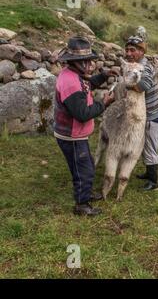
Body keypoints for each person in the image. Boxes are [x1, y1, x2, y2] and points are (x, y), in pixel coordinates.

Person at [54, 36, 116, 216]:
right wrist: (104, 104)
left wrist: (103, 76)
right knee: (85, 169)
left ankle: (85, 193)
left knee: (83, 165)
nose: (89, 64)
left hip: (75, 135)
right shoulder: (70, 83)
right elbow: (82, 114)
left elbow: (87, 85)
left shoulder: (74, 74)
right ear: (76, 62)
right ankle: (82, 205)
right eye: (85, 61)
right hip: (72, 135)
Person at [124, 35, 158, 191]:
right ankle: (148, 173)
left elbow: (143, 85)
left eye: (132, 50)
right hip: (144, 114)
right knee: (144, 145)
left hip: (152, 116)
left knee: (150, 147)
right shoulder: (136, 64)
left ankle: (154, 181)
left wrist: (127, 85)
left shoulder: (145, 66)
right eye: (127, 50)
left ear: (141, 51)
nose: (128, 53)